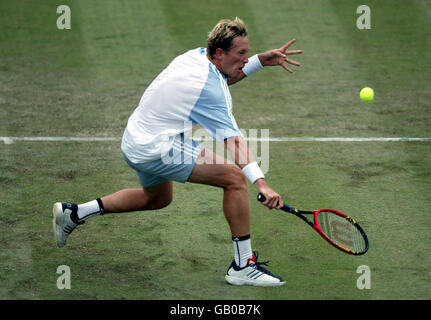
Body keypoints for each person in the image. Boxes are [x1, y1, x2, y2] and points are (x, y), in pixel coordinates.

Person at [52, 17, 302, 287]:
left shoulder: (195, 56)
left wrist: (259, 61)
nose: (245, 58)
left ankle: (74, 213)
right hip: (156, 148)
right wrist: (262, 183)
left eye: (247, 52)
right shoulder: (212, 90)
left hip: (135, 138)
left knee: (156, 199)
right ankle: (243, 266)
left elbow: (223, 78)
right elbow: (234, 142)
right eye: (241, 53)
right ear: (220, 53)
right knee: (236, 179)